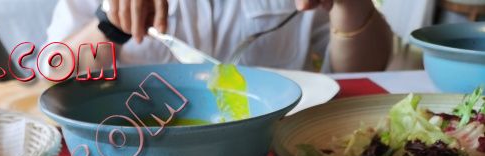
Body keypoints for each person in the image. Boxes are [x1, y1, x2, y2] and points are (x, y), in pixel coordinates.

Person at [43, 0, 393, 73]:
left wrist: (351, 4)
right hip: (136, 149)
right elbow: (53, 70)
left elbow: (363, 71)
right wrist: (109, 22)